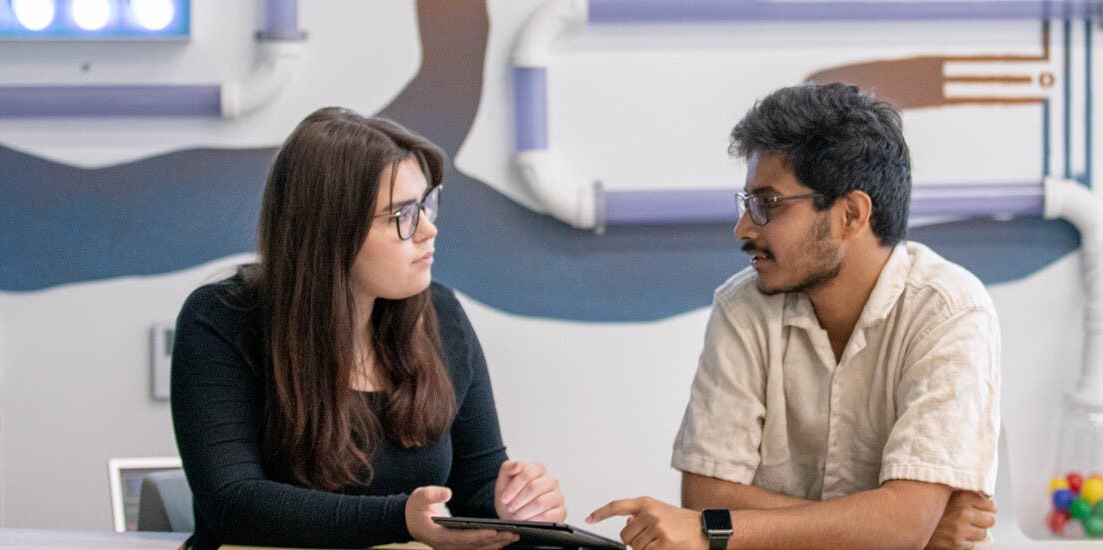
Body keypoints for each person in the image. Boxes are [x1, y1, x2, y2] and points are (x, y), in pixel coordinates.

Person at [589, 83, 1001, 550]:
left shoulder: (949, 310)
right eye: (747, 203)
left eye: (767, 204)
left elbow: (901, 526)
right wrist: (885, 524)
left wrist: (898, 524)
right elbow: (705, 498)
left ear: (851, 215)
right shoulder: (743, 306)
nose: (743, 228)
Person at [171, 107, 565, 550]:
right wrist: (402, 519)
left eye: (426, 205)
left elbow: (476, 483)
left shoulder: (442, 316)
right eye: (402, 215)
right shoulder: (222, 319)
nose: (429, 230)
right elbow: (233, 503)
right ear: (329, 231)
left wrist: (514, 507)